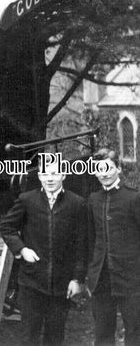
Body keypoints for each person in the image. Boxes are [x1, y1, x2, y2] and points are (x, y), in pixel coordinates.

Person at [0, 159, 87, 346]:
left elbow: (82, 245)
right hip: (32, 282)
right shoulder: (27, 200)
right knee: (29, 336)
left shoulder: (77, 203)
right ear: (39, 176)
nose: (50, 179)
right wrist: (22, 249)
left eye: (55, 173)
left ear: (63, 175)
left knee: (55, 337)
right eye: (45, 174)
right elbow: (7, 227)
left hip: (61, 284)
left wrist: (76, 279)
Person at [86, 148, 140, 346]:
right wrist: (90, 273)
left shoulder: (133, 198)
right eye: (99, 169)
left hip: (131, 278)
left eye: (108, 168)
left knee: (134, 331)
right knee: (103, 332)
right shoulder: (93, 199)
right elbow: (91, 240)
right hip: (101, 279)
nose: (104, 173)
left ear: (118, 168)